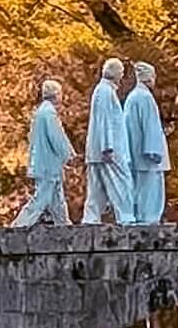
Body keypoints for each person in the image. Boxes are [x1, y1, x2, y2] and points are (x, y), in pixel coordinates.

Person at [12, 78, 75, 227]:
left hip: (44, 162)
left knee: (56, 198)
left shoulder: (40, 112)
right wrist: (68, 155)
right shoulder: (49, 113)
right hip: (48, 164)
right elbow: (57, 137)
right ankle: (21, 223)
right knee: (42, 197)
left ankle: (63, 223)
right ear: (56, 94)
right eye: (60, 93)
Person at [82, 58, 132, 224]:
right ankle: (126, 216)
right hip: (108, 149)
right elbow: (104, 120)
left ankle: (91, 218)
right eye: (121, 72)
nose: (122, 76)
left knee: (96, 188)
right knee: (121, 183)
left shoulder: (102, 90)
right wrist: (107, 147)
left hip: (98, 149)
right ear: (116, 73)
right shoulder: (105, 91)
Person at [123, 61, 170, 223]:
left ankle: (142, 216)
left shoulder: (132, 97)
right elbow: (150, 126)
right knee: (151, 189)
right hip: (147, 156)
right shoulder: (144, 98)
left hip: (136, 152)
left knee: (139, 188)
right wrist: (154, 151)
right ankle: (149, 218)